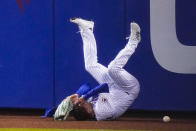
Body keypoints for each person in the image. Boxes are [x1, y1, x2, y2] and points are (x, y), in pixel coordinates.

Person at [61, 18, 141, 121]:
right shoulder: (101, 111)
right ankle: (134, 41)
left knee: (90, 65)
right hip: (128, 88)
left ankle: (87, 29)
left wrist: (76, 95)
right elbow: (104, 86)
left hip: (115, 86)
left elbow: (87, 85)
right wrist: (84, 97)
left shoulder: (88, 108)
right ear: (89, 112)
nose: (83, 103)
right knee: (113, 68)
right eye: (83, 105)